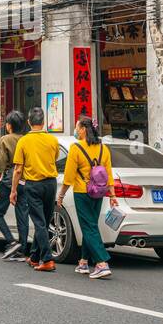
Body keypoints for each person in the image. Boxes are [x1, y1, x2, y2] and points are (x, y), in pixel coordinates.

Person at [57, 115, 116, 279]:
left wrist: (61, 195)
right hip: (100, 192)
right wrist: (112, 194)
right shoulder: (104, 148)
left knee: (88, 227)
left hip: (82, 192)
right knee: (91, 225)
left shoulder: (76, 148)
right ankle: (83, 262)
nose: (75, 130)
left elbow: (68, 176)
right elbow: (109, 174)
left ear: (83, 129)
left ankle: (102, 263)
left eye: (77, 127)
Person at [11, 107, 61, 271]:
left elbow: (18, 169)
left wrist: (13, 191)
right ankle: (34, 256)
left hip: (33, 185)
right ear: (44, 122)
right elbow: (55, 159)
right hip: (51, 183)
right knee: (45, 222)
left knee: (39, 223)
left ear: (29, 122)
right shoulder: (52, 140)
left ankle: (47, 259)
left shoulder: (24, 141)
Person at [0, 111, 28, 260]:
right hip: (26, 179)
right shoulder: (27, 140)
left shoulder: (5, 140)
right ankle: (22, 249)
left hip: (9, 179)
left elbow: (0, 164)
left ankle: (11, 241)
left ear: (9, 126)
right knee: (22, 215)